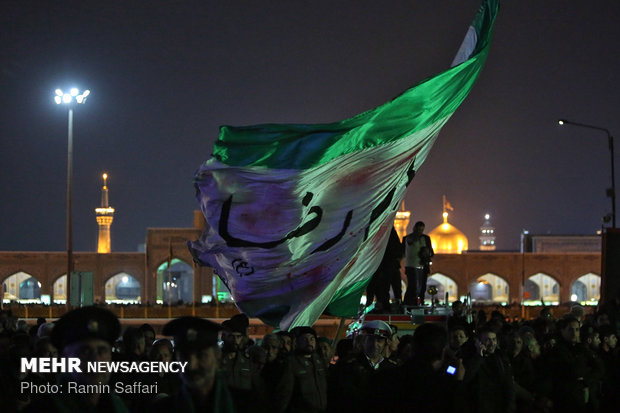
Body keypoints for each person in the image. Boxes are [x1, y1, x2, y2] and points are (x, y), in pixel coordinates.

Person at [25, 306, 129, 413]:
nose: (96, 360)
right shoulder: (44, 408)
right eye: (85, 352)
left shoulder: (117, 406)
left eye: (102, 351)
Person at [151, 316, 236, 413]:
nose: (192, 365)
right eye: (184, 356)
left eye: (201, 355)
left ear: (217, 356)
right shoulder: (162, 409)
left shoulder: (246, 404)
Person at [274, 326, 327, 413]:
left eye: (312, 339)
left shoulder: (319, 361)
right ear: (297, 342)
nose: (309, 342)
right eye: (304, 339)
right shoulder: (291, 362)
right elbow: (285, 392)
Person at [402, 221, 434, 306]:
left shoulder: (426, 238)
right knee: (412, 286)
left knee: (422, 287)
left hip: (423, 266)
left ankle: (420, 303)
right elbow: (402, 252)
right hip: (411, 266)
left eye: (422, 230)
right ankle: (408, 304)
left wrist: (427, 252)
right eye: (419, 229)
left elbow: (431, 252)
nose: (420, 231)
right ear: (414, 228)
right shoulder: (407, 238)